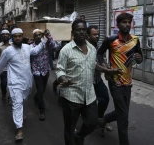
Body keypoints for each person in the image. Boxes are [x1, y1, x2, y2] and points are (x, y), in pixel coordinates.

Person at [56, 19, 122, 145]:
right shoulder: (66, 50)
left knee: (92, 122)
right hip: (71, 96)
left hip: (89, 95)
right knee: (69, 128)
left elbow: (94, 65)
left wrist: (109, 71)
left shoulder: (92, 48)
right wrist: (64, 79)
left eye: (83, 29)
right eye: (78, 30)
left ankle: (79, 136)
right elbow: (59, 69)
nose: (81, 32)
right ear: (73, 32)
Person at [0, 28, 48, 141]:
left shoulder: (27, 47)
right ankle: (19, 130)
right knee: (17, 103)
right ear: (12, 37)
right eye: (15, 36)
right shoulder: (7, 51)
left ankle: (21, 115)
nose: (17, 38)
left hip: (27, 81)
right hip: (14, 82)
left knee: (23, 100)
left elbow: (35, 51)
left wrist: (44, 40)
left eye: (19, 36)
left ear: (23, 36)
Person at [97, 13, 143, 145]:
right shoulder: (111, 40)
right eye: (124, 22)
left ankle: (103, 120)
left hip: (128, 82)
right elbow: (99, 53)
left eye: (129, 22)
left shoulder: (135, 40)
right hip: (115, 82)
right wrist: (105, 67)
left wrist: (139, 59)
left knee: (121, 112)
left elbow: (139, 57)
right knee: (123, 118)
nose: (127, 24)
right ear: (118, 24)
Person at [86, 25, 112, 136]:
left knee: (105, 98)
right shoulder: (84, 47)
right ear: (88, 35)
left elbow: (100, 57)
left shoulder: (97, 46)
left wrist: (105, 65)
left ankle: (100, 119)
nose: (97, 36)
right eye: (94, 34)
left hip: (97, 80)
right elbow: (93, 65)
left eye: (98, 34)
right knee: (86, 104)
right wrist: (107, 70)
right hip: (87, 81)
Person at [31, 29, 58, 121]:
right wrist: (44, 40)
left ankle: (36, 97)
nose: (38, 36)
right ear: (33, 37)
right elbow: (34, 52)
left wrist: (49, 35)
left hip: (45, 70)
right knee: (40, 90)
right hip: (36, 71)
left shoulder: (47, 44)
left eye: (40, 35)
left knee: (42, 90)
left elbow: (55, 46)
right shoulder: (31, 46)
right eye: (36, 35)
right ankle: (42, 111)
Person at [0, 30, 11, 102]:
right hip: (3, 68)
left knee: (12, 84)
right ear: (1, 36)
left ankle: (10, 97)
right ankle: (3, 93)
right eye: (3, 34)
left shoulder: (13, 45)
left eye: (6, 34)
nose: (5, 35)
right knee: (4, 83)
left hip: (12, 68)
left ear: (9, 35)